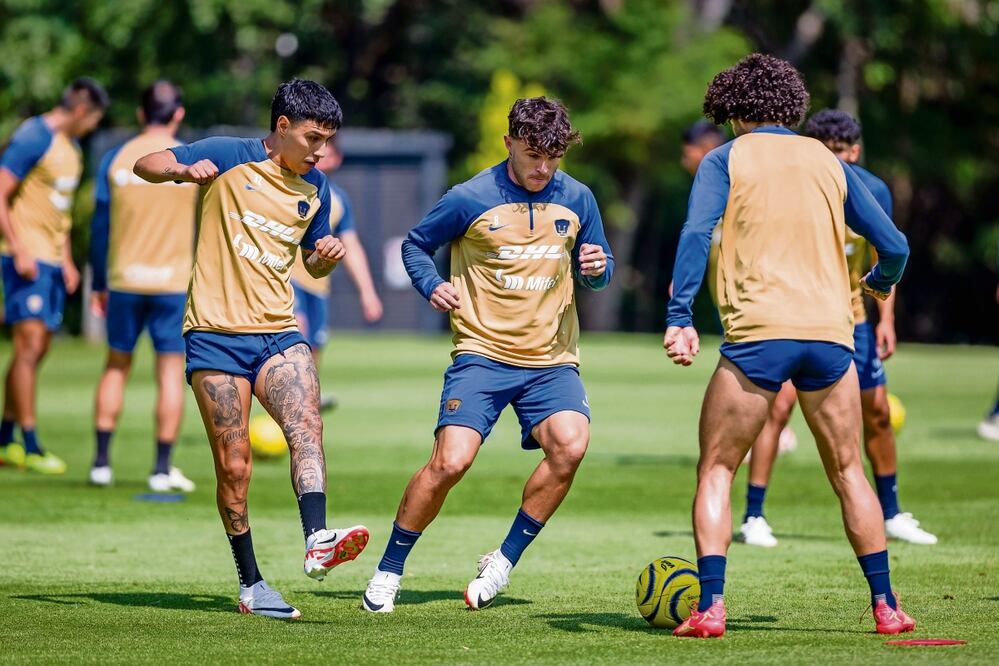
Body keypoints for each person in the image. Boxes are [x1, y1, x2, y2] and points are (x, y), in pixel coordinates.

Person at [664, 54, 915, 637]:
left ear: (731, 111)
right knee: (850, 470)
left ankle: (711, 608)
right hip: (832, 338)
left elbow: (697, 232)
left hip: (758, 337)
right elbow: (895, 246)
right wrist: (877, 284)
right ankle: (885, 606)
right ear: (791, 107)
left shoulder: (724, 158)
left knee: (718, 469)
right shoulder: (829, 161)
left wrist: (680, 317)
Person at [361, 97, 613, 614]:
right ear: (509, 145)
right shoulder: (469, 196)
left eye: (554, 157)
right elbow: (415, 245)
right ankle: (389, 569)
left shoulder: (579, 198)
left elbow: (599, 265)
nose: (543, 167)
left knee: (570, 446)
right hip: (481, 354)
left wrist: (596, 267)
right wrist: (431, 284)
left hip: (551, 358)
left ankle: (501, 561)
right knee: (450, 463)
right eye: (532, 155)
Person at [132, 79, 369, 620]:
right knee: (235, 468)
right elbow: (145, 163)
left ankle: (318, 539)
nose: (320, 151)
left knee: (306, 425)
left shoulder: (317, 189)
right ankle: (252, 585)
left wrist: (325, 257)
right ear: (281, 127)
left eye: (328, 140)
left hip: (278, 332)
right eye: (312, 138)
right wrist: (182, 170)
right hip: (214, 335)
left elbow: (312, 259)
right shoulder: (226, 155)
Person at [737, 109, 937, 546]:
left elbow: (886, 255)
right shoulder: (795, 183)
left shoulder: (874, 191)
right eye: (826, 150)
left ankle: (892, 512)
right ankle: (754, 515)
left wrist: (887, 320)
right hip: (795, 316)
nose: (834, 159)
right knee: (777, 408)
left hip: (854, 321)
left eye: (842, 152)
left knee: (878, 413)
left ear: (855, 151)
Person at [87, 81, 198, 492]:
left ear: (140, 113)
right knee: (169, 371)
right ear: (178, 114)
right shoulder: (188, 158)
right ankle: (161, 468)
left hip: (123, 280)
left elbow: (100, 225)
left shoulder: (115, 158)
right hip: (171, 283)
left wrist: (99, 281)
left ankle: (101, 463)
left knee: (116, 365)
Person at [0, 78, 109, 474]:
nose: (93, 127)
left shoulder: (72, 149)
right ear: (81, 110)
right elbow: (1, 191)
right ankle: (29, 444)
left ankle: (5, 436)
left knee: (38, 349)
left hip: (50, 261)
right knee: (29, 348)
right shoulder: (34, 135)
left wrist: (66, 260)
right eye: (94, 119)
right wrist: (19, 248)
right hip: (24, 258)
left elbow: (58, 214)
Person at [289, 136, 382, 408]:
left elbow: (350, 245)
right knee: (296, 342)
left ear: (336, 159)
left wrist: (368, 293)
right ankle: (288, 404)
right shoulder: (289, 185)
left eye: (326, 153)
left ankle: (304, 405)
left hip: (317, 285)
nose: (319, 156)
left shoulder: (338, 199)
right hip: (288, 281)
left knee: (313, 350)